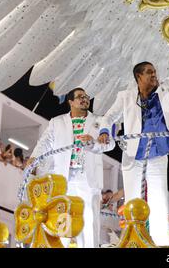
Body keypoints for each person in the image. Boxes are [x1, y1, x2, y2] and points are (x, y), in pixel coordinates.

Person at [97, 61, 169, 246]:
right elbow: (108, 117)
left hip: (158, 154)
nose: (154, 75)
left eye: (155, 72)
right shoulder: (126, 96)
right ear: (139, 77)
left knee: (159, 202)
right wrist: (105, 130)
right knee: (133, 201)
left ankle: (161, 244)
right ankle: (132, 242)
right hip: (133, 155)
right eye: (149, 72)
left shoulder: (163, 90)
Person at [28, 87, 115, 248]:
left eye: (87, 96)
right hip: (64, 178)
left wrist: (93, 143)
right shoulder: (57, 122)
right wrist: (34, 157)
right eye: (80, 96)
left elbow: (110, 144)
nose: (85, 99)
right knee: (63, 218)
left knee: (89, 220)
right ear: (70, 102)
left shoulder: (100, 120)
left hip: (87, 178)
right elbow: (45, 142)